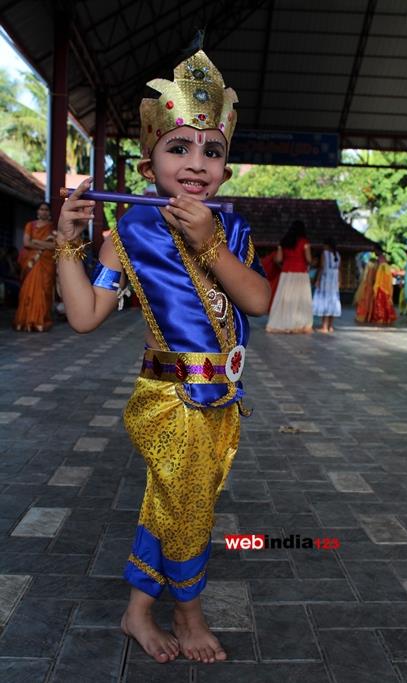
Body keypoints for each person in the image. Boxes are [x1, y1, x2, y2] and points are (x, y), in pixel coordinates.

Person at [55, 50, 270, 665]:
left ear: (227, 170)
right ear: (148, 162)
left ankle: (136, 610)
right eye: (179, 149)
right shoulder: (126, 234)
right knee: (189, 505)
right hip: (169, 400)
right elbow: (84, 316)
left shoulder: (230, 227)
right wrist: (70, 243)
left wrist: (210, 244)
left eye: (212, 152)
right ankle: (189, 614)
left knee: (174, 500)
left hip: (223, 398)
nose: (196, 165)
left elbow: (255, 299)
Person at [13, 202, 56, 331]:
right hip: (31, 262)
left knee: (44, 291)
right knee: (27, 290)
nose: (43, 212)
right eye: (41, 209)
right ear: (37, 212)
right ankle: (25, 321)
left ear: (49, 213)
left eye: (46, 210)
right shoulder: (30, 226)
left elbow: (54, 246)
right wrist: (43, 245)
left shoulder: (52, 228)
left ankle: (41, 321)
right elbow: (26, 242)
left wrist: (36, 242)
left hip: (46, 263)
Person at [266, 220, 313, 333]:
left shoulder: (284, 242)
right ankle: (299, 324)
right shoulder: (304, 242)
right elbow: (309, 259)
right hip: (301, 274)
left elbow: (278, 259)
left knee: (284, 300)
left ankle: (280, 323)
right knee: (301, 300)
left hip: (286, 274)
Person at [313, 238, 341, 333]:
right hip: (334, 279)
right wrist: (339, 281)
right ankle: (330, 326)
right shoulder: (338, 255)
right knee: (333, 300)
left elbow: (322, 267)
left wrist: (317, 280)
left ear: (327, 245)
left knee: (325, 300)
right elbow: (339, 269)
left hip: (326, 278)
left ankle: (324, 327)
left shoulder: (324, 253)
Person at [370, 251, 397, 325]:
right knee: (386, 304)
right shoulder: (387, 266)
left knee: (380, 304)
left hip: (381, 288)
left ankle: (381, 318)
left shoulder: (383, 266)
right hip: (386, 289)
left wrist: (377, 286)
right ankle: (387, 318)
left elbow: (380, 278)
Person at [354, 254, 378, 323]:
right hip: (369, 287)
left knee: (364, 302)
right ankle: (366, 317)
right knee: (367, 302)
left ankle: (364, 316)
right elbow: (370, 280)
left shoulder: (368, 270)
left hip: (366, 287)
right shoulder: (372, 270)